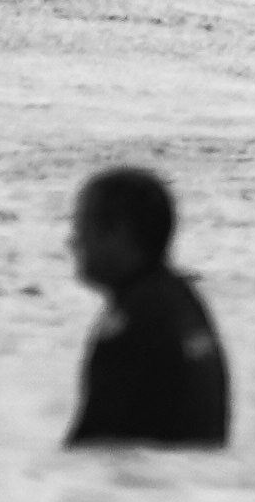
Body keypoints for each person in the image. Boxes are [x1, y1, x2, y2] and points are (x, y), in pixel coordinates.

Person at [60, 161, 227, 451]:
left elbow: (93, 442)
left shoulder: (132, 323)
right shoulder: (183, 299)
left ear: (119, 234)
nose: (73, 241)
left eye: (83, 226)